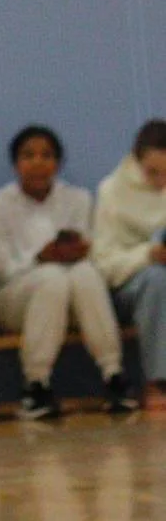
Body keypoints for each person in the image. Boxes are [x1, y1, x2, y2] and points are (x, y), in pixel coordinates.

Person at [0, 126, 134, 418]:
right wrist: (40, 257)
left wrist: (76, 252)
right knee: (52, 279)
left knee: (85, 273)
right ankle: (36, 384)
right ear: (16, 163)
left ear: (58, 163)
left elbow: (90, 250)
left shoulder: (78, 199)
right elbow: (3, 270)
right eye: (29, 155)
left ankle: (114, 376)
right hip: (13, 297)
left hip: (73, 291)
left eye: (46, 155)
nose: (38, 162)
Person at [93, 119, 166, 411]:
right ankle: (159, 381)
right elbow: (104, 265)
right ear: (136, 162)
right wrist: (149, 254)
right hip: (130, 287)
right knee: (158, 280)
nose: (162, 181)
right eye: (153, 172)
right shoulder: (111, 192)